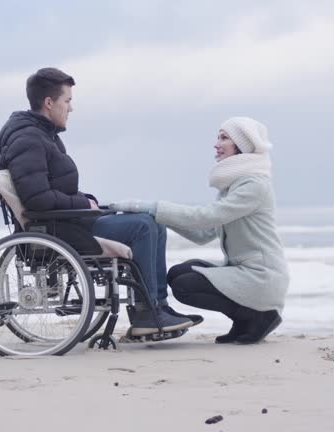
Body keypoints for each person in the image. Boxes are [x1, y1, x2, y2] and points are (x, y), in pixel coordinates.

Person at [0, 67, 199, 337]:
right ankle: (147, 313)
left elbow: (48, 190)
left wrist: (83, 201)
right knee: (143, 227)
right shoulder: (28, 139)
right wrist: (81, 202)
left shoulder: (41, 135)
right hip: (62, 228)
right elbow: (37, 200)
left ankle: (155, 304)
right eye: (67, 101)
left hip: (70, 220)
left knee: (155, 223)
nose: (70, 108)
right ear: (48, 103)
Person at [110, 117, 289, 344]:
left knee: (186, 285)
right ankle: (246, 320)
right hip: (246, 273)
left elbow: (206, 216)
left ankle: (260, 316)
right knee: (177, 273)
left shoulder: (254, 185)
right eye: (218, 137)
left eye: (224, 138)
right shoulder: (235, 185)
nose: (216, 144)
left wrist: (148, 206)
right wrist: (157, 215)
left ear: (242, 146)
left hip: (262, 278)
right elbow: (203, 234)